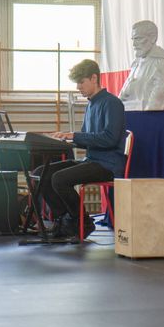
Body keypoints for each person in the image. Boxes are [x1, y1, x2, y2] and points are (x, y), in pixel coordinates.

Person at [33, 59, 126, 240]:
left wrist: (74, 136)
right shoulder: (91, 104)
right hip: (92, 160)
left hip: (108, 164)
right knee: (40, 173)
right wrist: (63, 139)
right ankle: (64, 221)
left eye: (81, 82)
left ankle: (83, 222)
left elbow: (110, 138)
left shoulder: (112, 103)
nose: (78, 87)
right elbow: (86, 139)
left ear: (94, 78)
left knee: (59, 179)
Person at [118, 20, 164, 111]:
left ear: (153, 38)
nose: (134, 44)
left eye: (138, 38)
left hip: (152, 118)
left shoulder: (162, 63)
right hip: (132, 116)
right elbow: (121, 98)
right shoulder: (136, 64)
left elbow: (156, 105)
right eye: (133, 39)